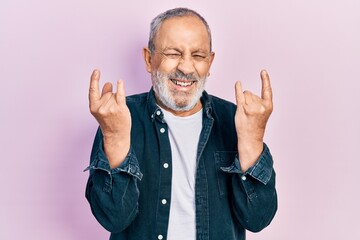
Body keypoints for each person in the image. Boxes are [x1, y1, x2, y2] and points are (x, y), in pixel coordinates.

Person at [85, 7, 277, 240]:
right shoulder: (117, 118)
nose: (186, 68)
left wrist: (253, 139)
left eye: (198, 56)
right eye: (173, 53)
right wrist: (114, 137)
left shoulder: (235, 119)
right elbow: (113, 218)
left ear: (210, 61)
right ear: (148, 59)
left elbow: (257, 219)